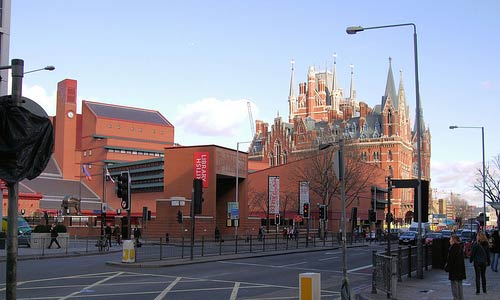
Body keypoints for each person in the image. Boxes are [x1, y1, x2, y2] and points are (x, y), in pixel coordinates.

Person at [446, 234, 466, 300]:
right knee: (459, 286)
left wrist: (447, 267)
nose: (449, 240)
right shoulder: (460, 247)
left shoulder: (453, 248)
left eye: (450, 239)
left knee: (455, 287)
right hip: (460, 270)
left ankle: (456, 298)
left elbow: (451, 260)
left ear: (453, 240)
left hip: (454, 270)